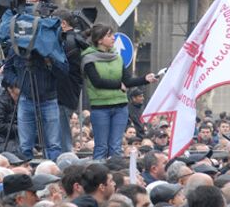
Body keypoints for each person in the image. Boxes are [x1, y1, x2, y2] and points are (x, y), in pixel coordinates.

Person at [81, 23, 158, 159]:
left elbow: (127, 81)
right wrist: (118, 85)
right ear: (100, 40)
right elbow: (97, 82)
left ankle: (116, 177)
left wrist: (145, 79)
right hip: (100, 108)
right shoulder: (88, 59)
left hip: (120, 107)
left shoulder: (117, 57)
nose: (113, 38)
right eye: (109, 35)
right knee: (101, 147)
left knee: (116, 146)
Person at [55, 10, 88, 153]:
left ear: (63, 23)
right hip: (70, 92)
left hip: (62, 92)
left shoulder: (67, 41)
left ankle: (65, 155)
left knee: (61, 130)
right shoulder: (77, 39)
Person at [0, 84, 20, 154]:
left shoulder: (21, 101)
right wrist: (20, 129)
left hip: (13, 140)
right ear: (10, 89)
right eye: (18, 87)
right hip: (0, 142)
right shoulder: (0, 102)